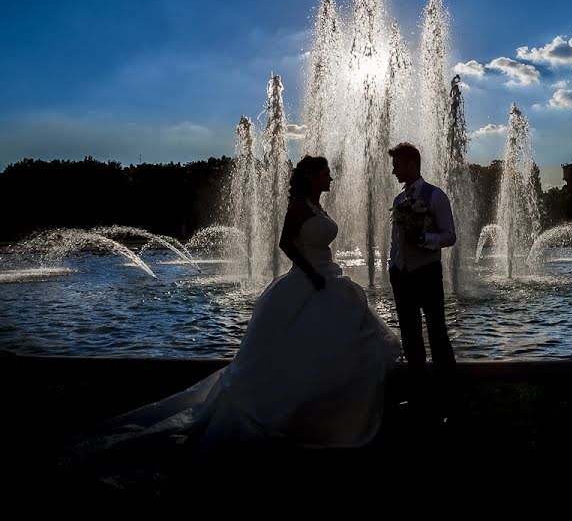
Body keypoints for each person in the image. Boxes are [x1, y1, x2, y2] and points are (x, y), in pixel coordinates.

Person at [65, 156, 401, 489]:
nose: (331, 177)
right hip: (309, 280)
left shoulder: (315, 204)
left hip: (328, 278)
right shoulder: (299, 203)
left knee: (338, 338)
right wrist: (311, 272)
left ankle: (325, 407)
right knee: (297, 345)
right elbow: (286, 242)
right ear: (313, 175)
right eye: (327, 172)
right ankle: (288, 407)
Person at [387, 142, 457, 423]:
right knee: (410, 337)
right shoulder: (398, 201)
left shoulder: (436, 196)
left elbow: (450, 236)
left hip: (427, 273)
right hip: (401, 276)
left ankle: (448, 397)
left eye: (397, 165)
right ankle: (419, 396)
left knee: (437, 333)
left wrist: (426, 239)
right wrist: (393, 266)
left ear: (412, 164)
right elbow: (395, 240)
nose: (393, 170)